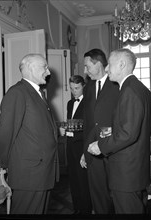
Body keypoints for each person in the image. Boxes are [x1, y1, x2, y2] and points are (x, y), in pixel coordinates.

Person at [88, 48, 151, 214]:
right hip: (134, 168)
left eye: (110, 64)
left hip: (126, 172)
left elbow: (127, 134)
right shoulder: (141, 89)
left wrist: (100, 146)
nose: (107, 69)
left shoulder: (129, 90)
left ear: (122, 64)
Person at [0, 54, 59, 214]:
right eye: (44, 67)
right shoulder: (17, 92)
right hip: (29, 173)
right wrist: (7, 162)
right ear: (31, 68)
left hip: (42, 171)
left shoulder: (38, 93)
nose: (48, 71)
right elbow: (4, 134)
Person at [80, 48, 119, 214]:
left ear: (98, 64)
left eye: (87, 66)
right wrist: (84, 151)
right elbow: (89, 122)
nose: (84, 70)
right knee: (97, 192)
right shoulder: (88, 88)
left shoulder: (117, 84)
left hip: (114, 148)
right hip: (92, 149)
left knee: (118, 193)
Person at [60, 75, 92, 214]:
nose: (74, 92)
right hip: (70, 146)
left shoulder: (90, 103)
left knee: (83, 180)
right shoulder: (69, 103)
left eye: (77, 88)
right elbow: (71, 124)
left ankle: (86, 209)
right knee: (73, 179)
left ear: (83, 86)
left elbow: (90, 128)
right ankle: (77, 208)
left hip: (82, 146)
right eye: (72, 89)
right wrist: (64, 129)